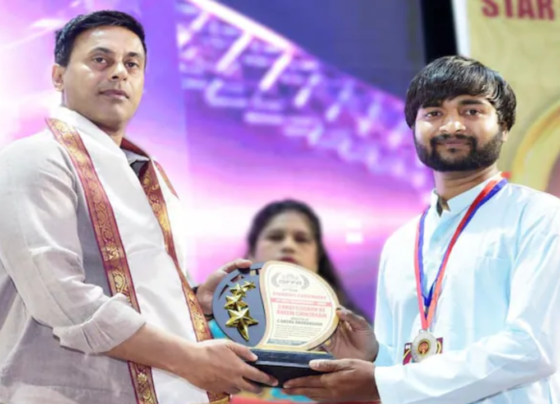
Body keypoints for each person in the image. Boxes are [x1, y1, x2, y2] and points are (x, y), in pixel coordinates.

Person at [0, 10, 276, 404]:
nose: (118, 72)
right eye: (100, 60)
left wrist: (192, 300)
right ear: (58, 76)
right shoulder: (35, 158)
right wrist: (188, 359)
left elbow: (125, 284)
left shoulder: (146, 173)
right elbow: (62, 299)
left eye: (132, 64)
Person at [281, 56, 560, 403]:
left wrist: (385, 385)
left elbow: (533, 347)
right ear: (413, 128)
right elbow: (407, 363)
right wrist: (376, 356)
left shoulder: (540, 217)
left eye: (471, 111)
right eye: (433, 113)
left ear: (504, 127)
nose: (452, 125)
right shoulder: (401, 243)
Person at [208, 199, 367, 403]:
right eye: (275, 237)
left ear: (317, 260)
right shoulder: (207, 335)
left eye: (301, 239)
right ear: (251, 254)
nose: (288, 245)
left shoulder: (352, 342)